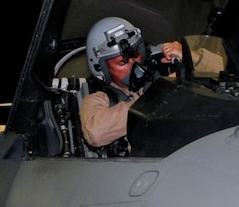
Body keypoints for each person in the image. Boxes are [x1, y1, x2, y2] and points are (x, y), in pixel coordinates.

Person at [78, 16, 225, 149]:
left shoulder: (164, 62)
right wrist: (163, 90)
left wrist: (189, 56)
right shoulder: (99, 99)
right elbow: (95, 133)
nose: (134, 64)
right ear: (103, 70)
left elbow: (223, 69)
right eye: (123, 62)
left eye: (136, 54)